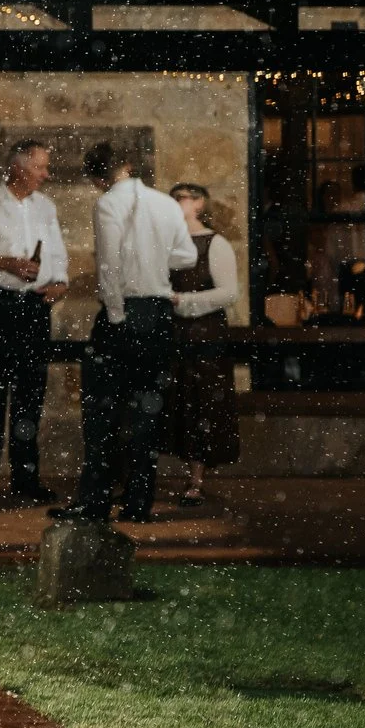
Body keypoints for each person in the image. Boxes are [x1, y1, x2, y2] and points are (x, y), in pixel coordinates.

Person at [60, 141, 196, 524]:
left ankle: (96, 500)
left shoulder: (108, 203)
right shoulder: (165, 203)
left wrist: (117, 315)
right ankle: (138, 502)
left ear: (97, 177)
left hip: (125, 312)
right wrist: (155, 258)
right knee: (147, 413)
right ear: (128, 165)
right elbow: (187, 255)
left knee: (101, 412)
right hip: (157, 312)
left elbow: (109, 265)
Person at [0, 140, 68, 507]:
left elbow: (57, 255)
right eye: (40, 167)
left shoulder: (46, 207)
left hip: (35, 307)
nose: (46, 174)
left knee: (30, 395)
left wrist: (59, 283)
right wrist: (2, 262)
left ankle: (26, 478)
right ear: (18, 167)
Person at [160, 182, 242, 508]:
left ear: (198, 204)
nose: (176, 204)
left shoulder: (214, 244)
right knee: (179, 402)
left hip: (205, 335)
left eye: (182, 199)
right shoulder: (168, 242)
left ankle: (196, 479)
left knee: (202, 403)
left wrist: (185, 301)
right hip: (175, 336)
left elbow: (228, 292)